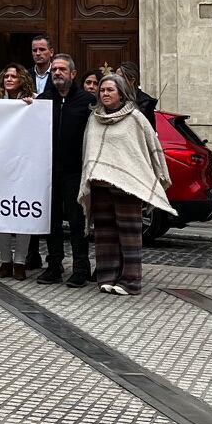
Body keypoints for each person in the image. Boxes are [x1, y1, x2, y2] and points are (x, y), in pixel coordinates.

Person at [80, 71, 173, 295]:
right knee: (104, 233)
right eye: (102, 90)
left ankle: (130, 281)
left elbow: (149, 148)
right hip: (100, 185)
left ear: (121, 93)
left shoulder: (135, 118)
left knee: (129, 233)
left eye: (110, 89)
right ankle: (107, 276)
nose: (105, 94)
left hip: (127, 186)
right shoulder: (94, 117)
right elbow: (89, 150)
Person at [38, 54, 94, 288]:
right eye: (54, 70)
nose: (57, 73)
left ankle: (81, 267)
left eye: (62, 69)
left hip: (75, 171)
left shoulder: (87, 102)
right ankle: (54, 265)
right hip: (49, 171)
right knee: (51, 222)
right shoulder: (43, 100)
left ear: (73, 73)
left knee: (76, 222)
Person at [0, 66, 38, 279]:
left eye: (14, 76)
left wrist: (33, 108)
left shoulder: (34, 99)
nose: (9, 79)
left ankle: (20, 261)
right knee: (1, 214)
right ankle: (5, 260)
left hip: (25, 164)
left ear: (22, 79)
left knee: (22, 214)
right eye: (6, 75)